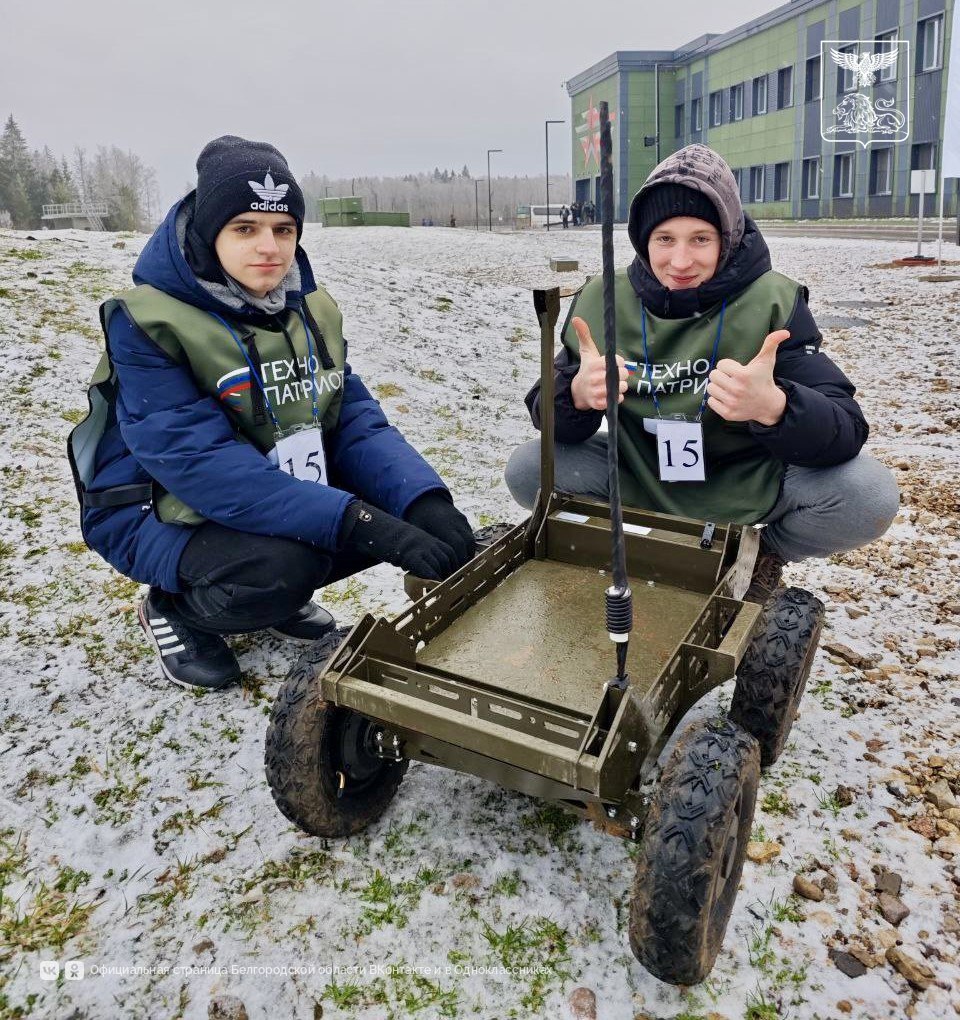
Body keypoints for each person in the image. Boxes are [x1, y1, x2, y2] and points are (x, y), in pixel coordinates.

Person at [69, 135, 475, 691]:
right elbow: (200, 463)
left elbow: (353, 419)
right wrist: (357, 520)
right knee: (287, 564)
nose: (270, 248)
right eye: (245, 228)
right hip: (154, 507)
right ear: (208, 233)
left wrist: (422, 501)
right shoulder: (147, 323)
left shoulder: (309, 308)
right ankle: (176, 609)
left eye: (284, 229)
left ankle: (273, 599)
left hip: (269, 484)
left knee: (405, 518)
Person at [504, 144, 899, 600]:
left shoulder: (773, 301)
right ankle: (629, 542)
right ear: (643, 240)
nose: (680, 262)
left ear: (726, 238)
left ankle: (758, 557)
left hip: (745, 477)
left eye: (700, 239)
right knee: (528, 468)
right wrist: (575, 394)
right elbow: (546, 412)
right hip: (638, 471)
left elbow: (846, 428)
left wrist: (775, 407)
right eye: (664, 239)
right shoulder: (602, 299)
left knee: (869, 493)